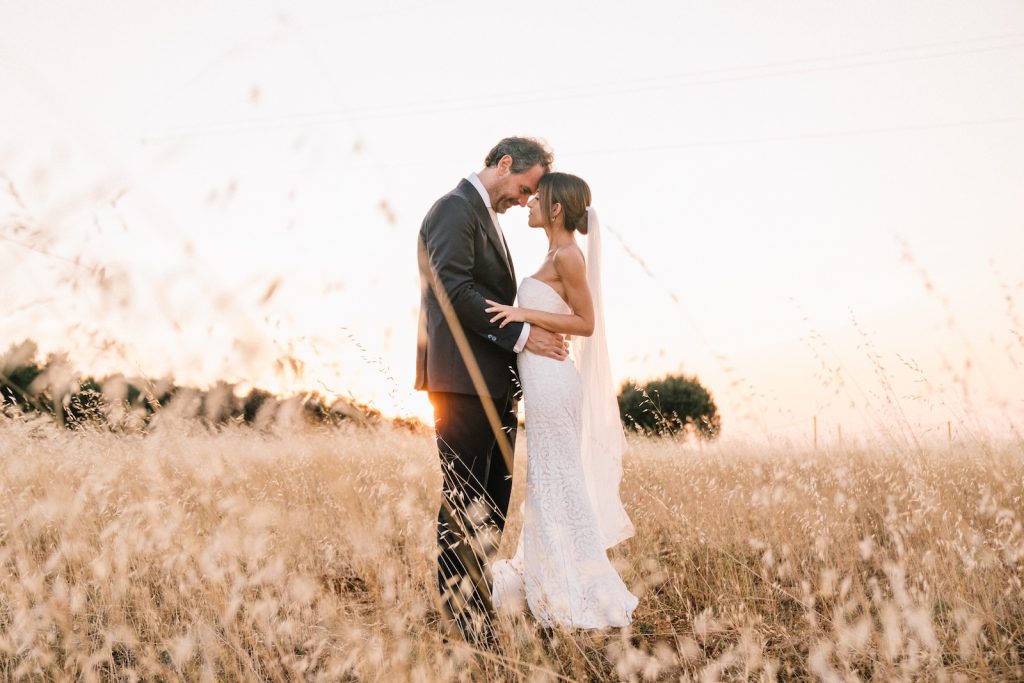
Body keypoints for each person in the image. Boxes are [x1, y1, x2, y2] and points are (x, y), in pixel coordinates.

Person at [415, 137, 568, 645]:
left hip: (496, 389)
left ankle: (477, 608)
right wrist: (525, 336)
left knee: (492, 503)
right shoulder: (453, 210)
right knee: (463, 503)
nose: (525, 202)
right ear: (504, 164)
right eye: (524, 189)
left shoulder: (488, 220)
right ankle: (461, 622)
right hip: (461, 387)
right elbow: (453, 290)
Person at [484, 172, 638, 629]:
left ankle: (571, 587)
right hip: (543, 380)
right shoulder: (554, 254)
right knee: (548, 483)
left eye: (537, 199)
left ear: (555, 210)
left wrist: (522, 313)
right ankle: (549, 575)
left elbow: (585, 322)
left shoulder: (569, 255)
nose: (528, 203)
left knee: (555, 482)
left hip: (554, 383)